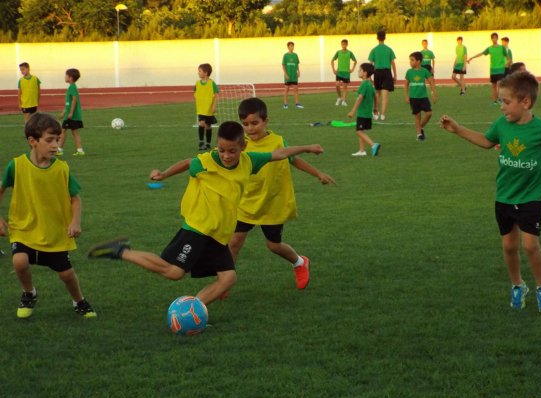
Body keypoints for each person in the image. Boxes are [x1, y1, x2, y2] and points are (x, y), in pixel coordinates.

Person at [87, 122, 325, 309]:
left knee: (228, 278)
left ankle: (193, 310)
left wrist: (307, 147)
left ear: (243, 147)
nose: (226, 155)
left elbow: (279, 153)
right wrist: (163, 174)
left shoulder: (249, 161)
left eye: (232, 151)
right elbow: (186, 163)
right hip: (198, 228)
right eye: (221, 150)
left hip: (218, 234)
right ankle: (121, 250)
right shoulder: (205, 162)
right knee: (174, 272)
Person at [439, 72, 541, 313]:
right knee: (509, 246)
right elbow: (487, 142)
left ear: (525, 102)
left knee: (529, 245)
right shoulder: (501, 125)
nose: (501, 107)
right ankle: (518, 285)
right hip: (504, 196)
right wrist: (458, 129)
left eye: (505, 102)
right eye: (500, 101)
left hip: (530, 198)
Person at [229, 98, 336, 290]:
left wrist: (318, 173)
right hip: (246, 202)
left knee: (274, 245)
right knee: (235, 241)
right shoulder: (241, 145)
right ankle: (225, 281)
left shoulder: (277, 141)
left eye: (255, 123)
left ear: (266, 121)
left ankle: (300, 262)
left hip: (272, 203)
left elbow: (293, 160)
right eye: (245, 124)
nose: (250, 129)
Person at [0, 113, 96, 319]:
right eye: (49, 140)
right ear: (32, 141)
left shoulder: (62, 169)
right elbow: (1, 188)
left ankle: (79, 301)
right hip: (23, 228)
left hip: (54, 232)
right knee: (19, 261)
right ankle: (29, 293)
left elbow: (75, 198)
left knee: (66, 274)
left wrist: (75, 221)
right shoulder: (16, 165)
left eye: (58, 139)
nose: (56, 145)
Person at [348, 63, 381, 157]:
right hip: (368, 113)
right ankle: (362, 151)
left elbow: (360, 98)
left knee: (359, 131)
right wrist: (375, 108)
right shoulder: (370, 84)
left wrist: (352, 111)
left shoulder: (364, 84)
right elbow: (376, 96)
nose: (358, 71)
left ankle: (373, 145)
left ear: (365, 73)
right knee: (361, 131)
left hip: (362, 113)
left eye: (360, 70)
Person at [468, 32, 510, 104]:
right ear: (491, 39)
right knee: (494, 86)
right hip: (493, 70)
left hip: (500, 69)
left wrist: (506, 64)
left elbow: (508, 58)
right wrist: (471, 58)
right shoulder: (490, 48)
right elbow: (481, 53)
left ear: (497, 38)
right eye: (493, 38)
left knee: (499, 83)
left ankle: (500, 98)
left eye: (495, 38)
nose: (494, 39)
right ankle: (495, 101)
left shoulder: (501, 48)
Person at [404, 52, 437, 141]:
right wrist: (406, 95)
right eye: (410, 60)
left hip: (423, 97)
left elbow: (431, 82)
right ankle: (419, 134)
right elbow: (406, 84)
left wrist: (433, 94)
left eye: (412, 60)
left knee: (429, 113)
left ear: (418, 61)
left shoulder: (424, 71)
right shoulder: (409, 72)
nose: (410, 62)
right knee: (417, 116)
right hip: (413, 98)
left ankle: (421, 127)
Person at [368, 30, 396, 121]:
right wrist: (395, 75)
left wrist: (369, 76)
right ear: (385, 38)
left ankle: (376, 113)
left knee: (377, 94)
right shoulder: (389, 49)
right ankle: (383, 115)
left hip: (377, 73)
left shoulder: (374, 50)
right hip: (387, 72)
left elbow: (370, 64)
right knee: (385, 95)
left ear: (377, 38)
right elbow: (392, 63)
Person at [58, 68, 85, 156]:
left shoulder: (72, 87)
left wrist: (71, 113)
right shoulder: (71, 87)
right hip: (71, 115)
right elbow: (68, 103)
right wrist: (64, 112)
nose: (64, 77)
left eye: (66, 75)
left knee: (63, 131)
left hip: (71, 116)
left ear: (71, 77)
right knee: (74, 132)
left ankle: (59, 149)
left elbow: (74, 100)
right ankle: (80, 150)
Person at [194, 63, 219, 151]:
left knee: (208, 126)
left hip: (209, 109)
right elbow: (195, 93)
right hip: (201, 109)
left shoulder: (212, 83)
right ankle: (201, 142)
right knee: (201, 123)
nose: (198, 73)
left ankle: (208, 143)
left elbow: (216, 96)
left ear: (206, 73)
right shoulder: (197, 83)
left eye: (200, 71)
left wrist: (214, 106)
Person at [331, 39, 357, 106]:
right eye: (342, 44)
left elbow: (355, 61)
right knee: (337, 85)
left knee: (345, 87)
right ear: (341, 45)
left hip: (346, 73)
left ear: (347, 45)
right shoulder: (338, 52)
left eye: (345, 44)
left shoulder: (350, 53)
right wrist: (333, 69)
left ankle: (344, 101)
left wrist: (352, 69)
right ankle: (339, 97)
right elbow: (332, 60)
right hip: (339, 72)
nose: (343, 45)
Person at [282, 42, 303, 109]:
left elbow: (297, 64)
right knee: (286, 90)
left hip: (294, 76)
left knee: (296, 89)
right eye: (290, 46)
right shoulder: (285, 55)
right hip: (288, 75)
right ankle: (285, 104)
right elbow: (283, 65)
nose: (292, 47)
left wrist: (298, 71)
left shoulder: (295, 55)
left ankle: (297, 104)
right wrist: (285, 74)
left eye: (292, 46)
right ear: (288, 47)